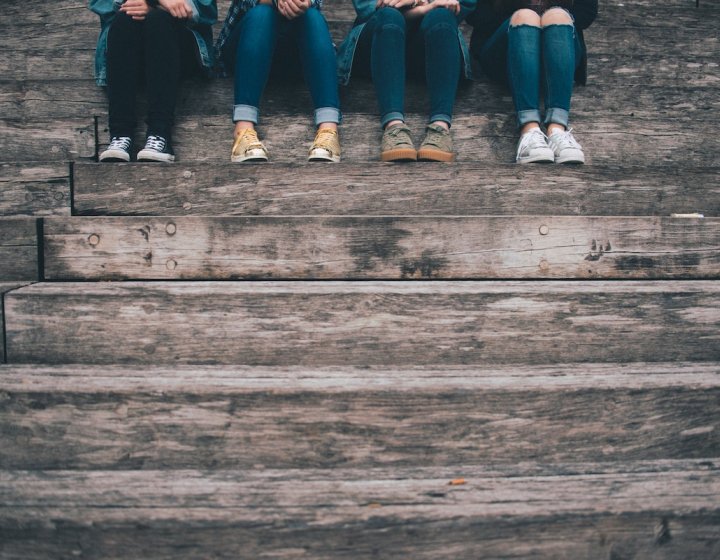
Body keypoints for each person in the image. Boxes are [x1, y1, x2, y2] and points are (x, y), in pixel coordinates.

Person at [337, 0, 476, 162]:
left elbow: (461, 4)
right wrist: (422, 7)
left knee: (442, 15)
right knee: (388, 15)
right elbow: (369, 8)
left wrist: (423, 4)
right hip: (379, 40)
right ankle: (393, 125)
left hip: (430, 40)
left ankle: (440, 127)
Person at [467, 0, 598, 163]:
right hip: (505, 50)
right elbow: (475, 15)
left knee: (557, 15)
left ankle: (557, 131)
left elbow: (586, 14)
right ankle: (529, 131)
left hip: (558, 49)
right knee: (526, 16)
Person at [215, 0, 342, 163]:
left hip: (294, 53)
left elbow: (315, 3)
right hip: (248, 47)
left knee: (312, 16)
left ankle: (328, 130)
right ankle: (243, 130)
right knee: (262, 13)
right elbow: (245, 4)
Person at [90, 0, 217, 162]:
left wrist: (157, 7)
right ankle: (120, 135)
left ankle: (159, 134)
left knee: (158, 19)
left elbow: (207, 10)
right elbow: (100, 3)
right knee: (125, 18)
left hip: (176, 46)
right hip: (130, 42)